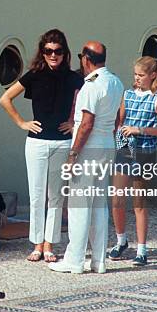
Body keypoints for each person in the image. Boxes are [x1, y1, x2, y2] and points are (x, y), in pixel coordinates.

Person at [0, 29, 83, 263]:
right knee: (36, 196)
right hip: (36, 142)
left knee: (55, 196)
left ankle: (49, 245)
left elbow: (89, 102)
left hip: (62, 142)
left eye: (57, 51)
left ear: (64, 53)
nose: (53, 55)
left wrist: (74, 123)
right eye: (48, 51)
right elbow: (5, 99)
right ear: (42, 52)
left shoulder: (74, 78)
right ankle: (37, 244)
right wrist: (21, 122)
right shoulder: (34, 75)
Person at [49, 41, 124, 274]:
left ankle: (75, 260)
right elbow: (119, 118)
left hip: (88, 149)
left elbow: (86, 124)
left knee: (79, 206)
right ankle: (98, 260)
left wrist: (73, 154)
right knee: (99, 205)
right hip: (106, 146)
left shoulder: (90, 85)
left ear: (86, 59)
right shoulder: (116, 81)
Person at [109, 56, 157, 266]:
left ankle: (142, 249)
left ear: (153, 75)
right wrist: (118, 131)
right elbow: (120, 120)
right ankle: (121, 241)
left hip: (145, 152)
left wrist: (140, 129)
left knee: (139, 202)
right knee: (117, 199)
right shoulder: (127, 94)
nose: (137, 78)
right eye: (135, 74)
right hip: (125, 150)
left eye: (141, 75)